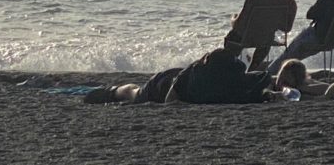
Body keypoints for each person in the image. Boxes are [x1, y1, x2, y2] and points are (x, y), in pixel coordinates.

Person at [83, 48, 272, 105]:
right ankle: (113, 91)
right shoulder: (193, 72)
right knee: (134, 94)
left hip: (175, 79)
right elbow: (169, 101)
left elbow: (260, 79)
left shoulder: (232, 74)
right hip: (162, 84)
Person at [224, 0, 297, 71]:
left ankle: (229, 68)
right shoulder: (289, 1)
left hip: (245, 39)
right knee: (266, 37)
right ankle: (253, 68)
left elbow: (238, 26)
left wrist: (233, 18)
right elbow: (287, 28)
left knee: (232, 36)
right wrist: (270, 21)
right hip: (265, 40)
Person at [267, 59, 334, 100]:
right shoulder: (272, 82)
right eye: (280, 76)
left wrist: (303, 88)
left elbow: (328, 87)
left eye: (286, 79)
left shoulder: (302, 86)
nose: (281, 81)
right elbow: (267, 90)